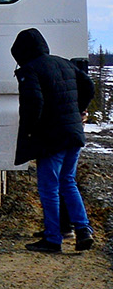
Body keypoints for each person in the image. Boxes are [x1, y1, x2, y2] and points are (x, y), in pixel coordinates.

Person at [13, 28, 96, 252]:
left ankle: (53, 238)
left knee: (49, 188)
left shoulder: (30, 70)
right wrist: (78, 110)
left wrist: (31, 131)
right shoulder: (64, 63)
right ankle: (83, 230)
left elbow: (34, 103)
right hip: (73, 133)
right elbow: (88, 85)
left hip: (52, 138)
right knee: (68, 182)